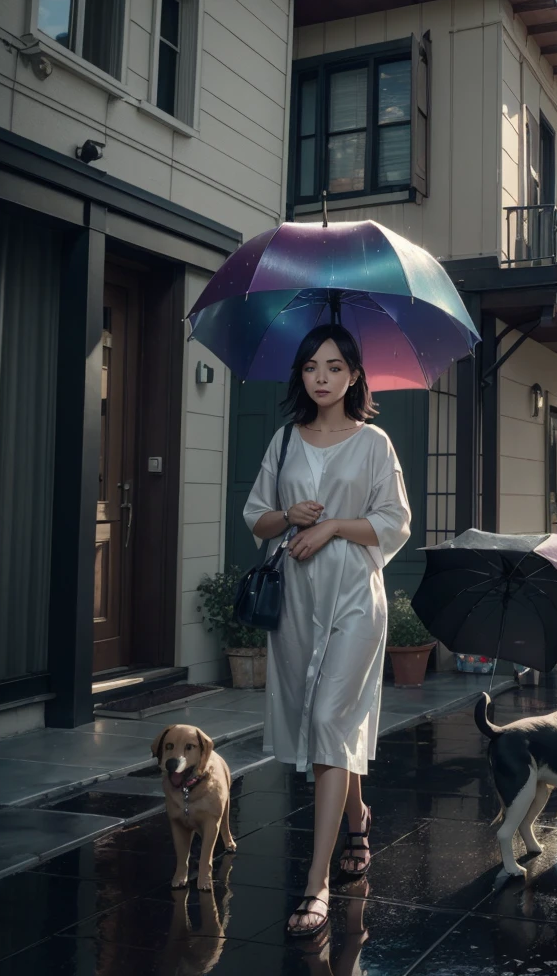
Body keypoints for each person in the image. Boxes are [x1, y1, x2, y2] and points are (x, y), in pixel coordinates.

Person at [243, 324, 411, 938]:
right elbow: (257, 519)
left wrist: (335, 525)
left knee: (326, 726)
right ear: (301, 374)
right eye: (312, 366)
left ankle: (315, 886)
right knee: (326, 721)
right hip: (296, 601)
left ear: (355, 375)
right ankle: (358, 815)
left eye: (335, 366)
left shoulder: (374, 444)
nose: (322, 376)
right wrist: (289, 516)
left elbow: (396, 522)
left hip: (354, 600)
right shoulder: (285, 440)